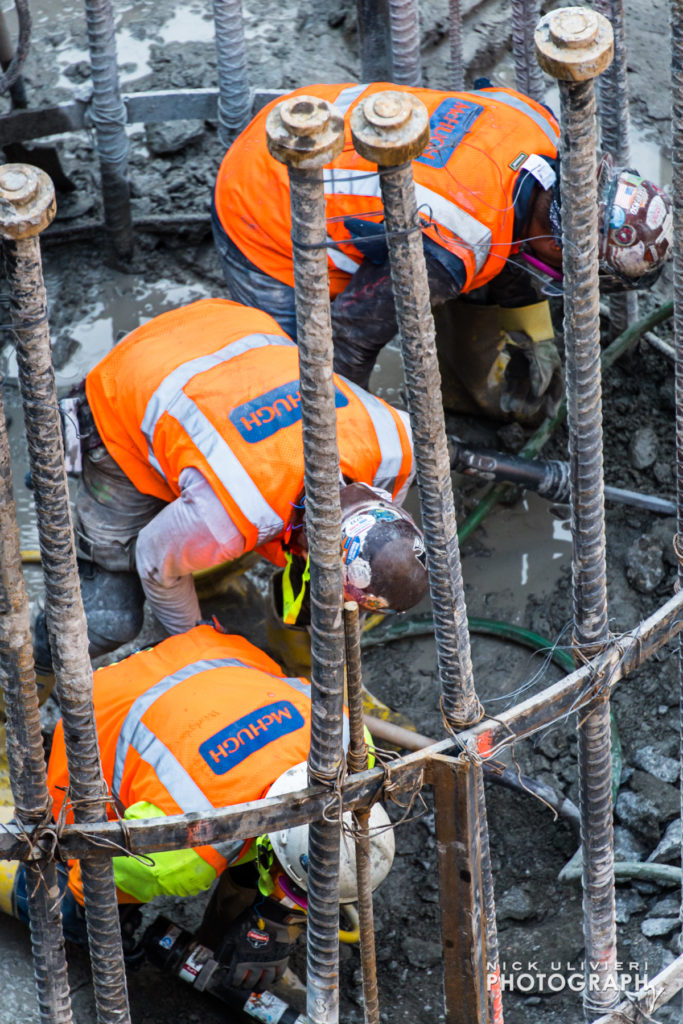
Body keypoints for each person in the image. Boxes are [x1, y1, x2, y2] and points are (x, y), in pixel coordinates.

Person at [213, 81, 673, 421]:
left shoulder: (542, 128)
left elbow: (513, 228)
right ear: (558, 243)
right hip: (265, 207)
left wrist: (531, 329)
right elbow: (348, 338)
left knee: (462, 269)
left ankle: (462, 390)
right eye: (582, 271)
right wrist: (360, 439)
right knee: (292, 389)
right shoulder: (452, 241)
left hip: (306, 119)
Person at [32, 298, 427, 675]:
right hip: (126, 392)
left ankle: (206, 570)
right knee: (111, 620)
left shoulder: (395, 444)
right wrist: (197, 647)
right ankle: (25, 671)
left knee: (217, 530)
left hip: (226, 328)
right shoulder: (235, 510)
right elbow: (154, 559)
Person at [2, 625, 394, 990]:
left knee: (256, 863)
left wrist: (278, 917)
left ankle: (229, 922)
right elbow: (94, 876)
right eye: (294, 893)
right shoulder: (184, 853)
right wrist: (106, 935)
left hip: (204, 654)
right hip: (104, 708)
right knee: (65, 906)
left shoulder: (349, 742)